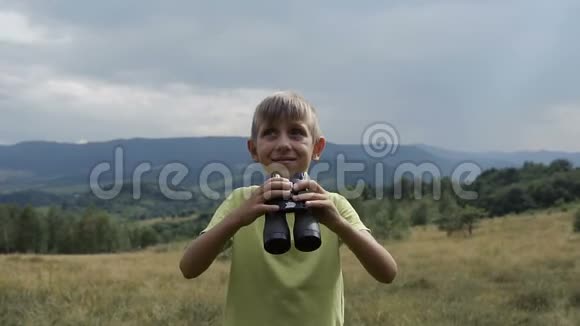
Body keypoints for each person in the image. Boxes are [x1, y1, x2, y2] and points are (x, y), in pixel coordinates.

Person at [179, 91, 397, 326]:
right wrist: (238, 218)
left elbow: (387, 272)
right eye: (270, 133)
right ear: (254, 149)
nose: (283, 144)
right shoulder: (240, 201)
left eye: (296, 132)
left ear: (317, 147)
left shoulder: (332, 204)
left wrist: (337, 224)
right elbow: (189, 268)